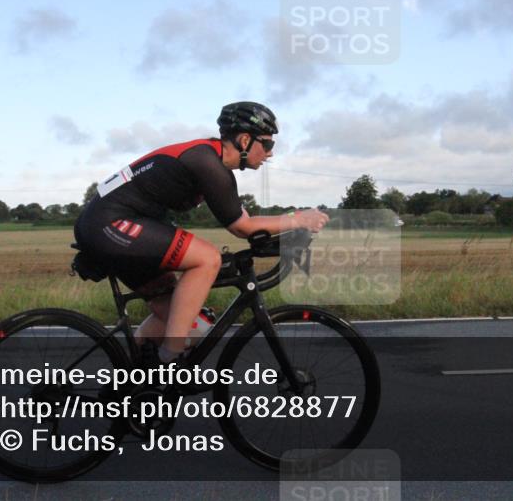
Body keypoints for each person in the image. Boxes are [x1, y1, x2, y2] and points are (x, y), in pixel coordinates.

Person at [73, 102, 329, 365]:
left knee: (186, 319)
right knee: (207, 258)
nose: (270, 154)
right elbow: (243, 228)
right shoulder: (207, 163)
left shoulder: (213, 163)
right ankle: (170, 358)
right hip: (109, 222)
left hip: (113, 223)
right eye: (268, 145)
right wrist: (298, 220)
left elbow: (246, 220)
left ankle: (132, 384)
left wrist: (292, 220)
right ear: (244, 139)